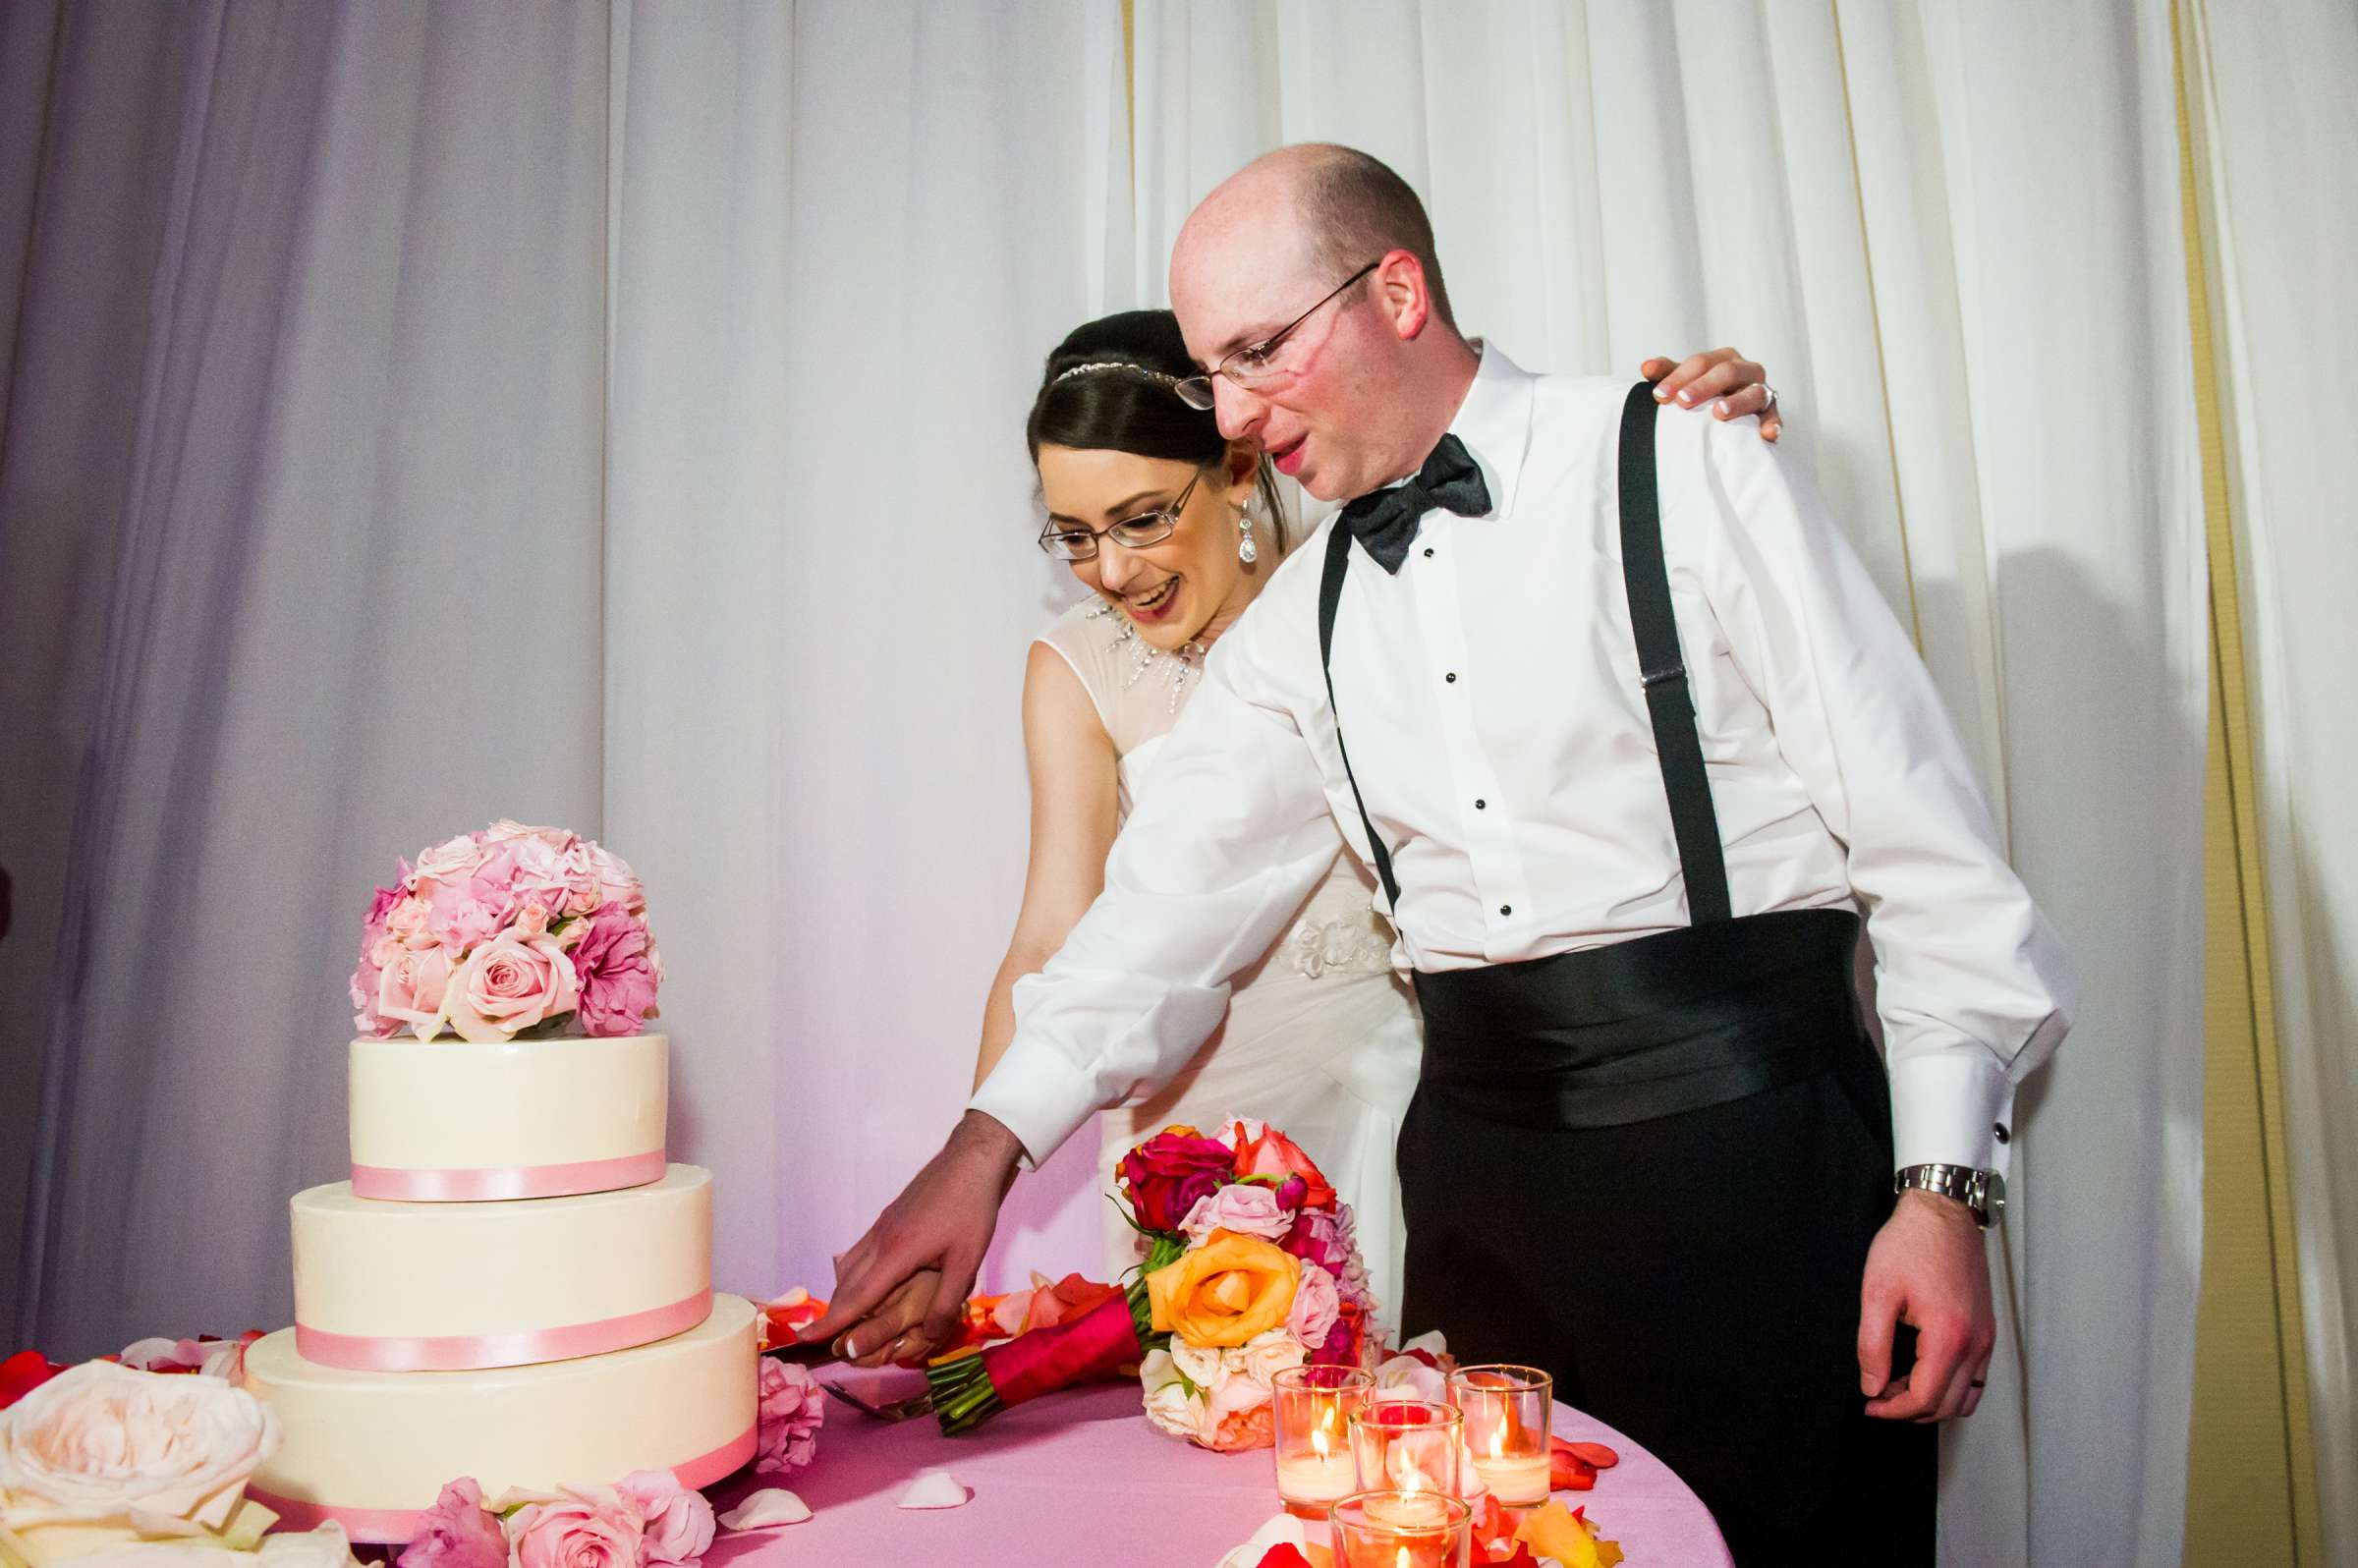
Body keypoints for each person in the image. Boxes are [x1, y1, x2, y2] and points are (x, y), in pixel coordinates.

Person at [809, 144, 2070, 1563]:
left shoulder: (1682, 460)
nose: (1229, 411)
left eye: (1257, 354)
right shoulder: (1304, 620)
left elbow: (1928, 847)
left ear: (1394, 291)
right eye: (1213, 373)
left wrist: (1944, 1188)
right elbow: (1165, 907)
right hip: (1482, 1208)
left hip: (1760, 1163)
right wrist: (985, 1146)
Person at [952, 310, 1782, 1348]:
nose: (1112, 572)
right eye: (1076, 536)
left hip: (1407, 1098)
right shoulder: (1081, 670)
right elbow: (1049, 936)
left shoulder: (1383, 584)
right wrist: (969, 1171)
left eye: (1142, 518)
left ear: (1240, 471)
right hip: (1208, 1131)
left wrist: (1684, 430)